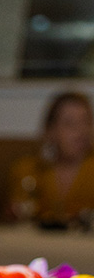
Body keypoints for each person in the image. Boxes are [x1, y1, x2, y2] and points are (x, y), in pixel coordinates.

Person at [8, 92, 94, 226]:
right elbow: (12, 219)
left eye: (86, 122)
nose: (81, 131)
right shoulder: (28, 170)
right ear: (51, 130)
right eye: (70, 123)